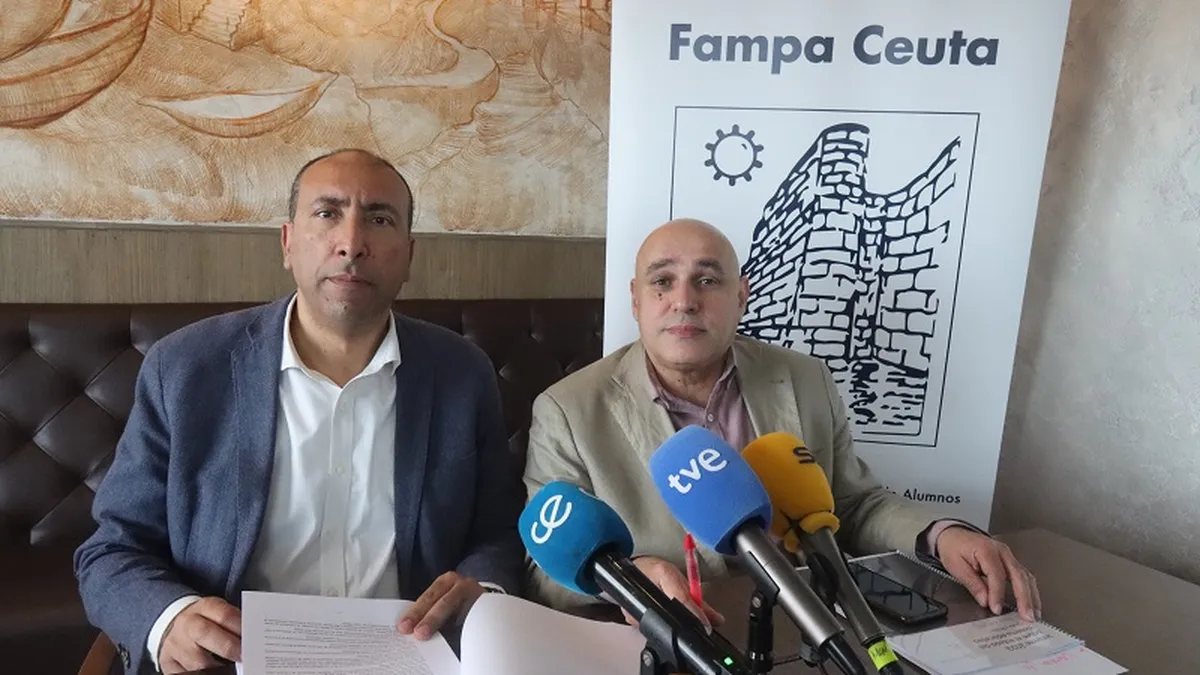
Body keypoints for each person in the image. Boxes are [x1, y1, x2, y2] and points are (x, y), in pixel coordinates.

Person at [75, 149, 525, 674]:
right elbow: (113, 549)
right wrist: (168, 618)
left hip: (408, 658)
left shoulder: (462, 374)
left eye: (380, 219)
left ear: (408, 254)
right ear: (287, 242)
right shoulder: (184, 368)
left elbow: (498, 532)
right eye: (327, 213)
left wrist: (484, 594)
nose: (351, 243)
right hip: (231, 661)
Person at [523, 218, 1040, 632]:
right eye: (662, 282)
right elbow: (543, 570)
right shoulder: (568, 410)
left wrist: (940, 535)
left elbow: (853, 504)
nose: (684, 300)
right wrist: (630, 578)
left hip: (809, 624)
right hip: (677, 636)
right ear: (636, 300)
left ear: (741, 296)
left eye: (708, 280)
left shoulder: (805, 378)